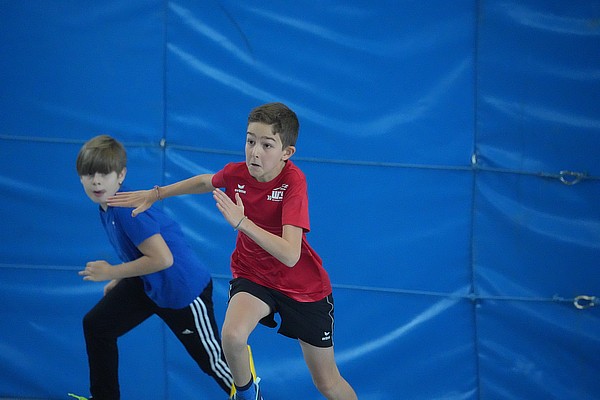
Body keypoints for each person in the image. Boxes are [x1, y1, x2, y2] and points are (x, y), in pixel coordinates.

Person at [108, 102, 358, 400]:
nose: (255, 152)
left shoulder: (293, 182)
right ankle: (248, 395)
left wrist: (243, 223)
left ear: (287, 152)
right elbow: (205, 181)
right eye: (250, 141)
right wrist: (157, 193)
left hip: (303, 288)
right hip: (254, 276)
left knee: (327, 383)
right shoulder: (237, 174)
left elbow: (290, 255)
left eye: (267, 145)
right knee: (232, 335)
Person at [75, 135, 234, 400]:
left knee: (215, 363)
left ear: (121, 175)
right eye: (89, 174)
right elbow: (138, 251)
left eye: (104, 174)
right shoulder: (107, 207)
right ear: (80, 177)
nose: (97, 181)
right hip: (149, 282)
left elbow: (163, 259)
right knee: (97, 325)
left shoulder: (126, 208)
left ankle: (254, 396)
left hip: (182, 290)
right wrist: (121, 279)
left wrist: (111, 272)